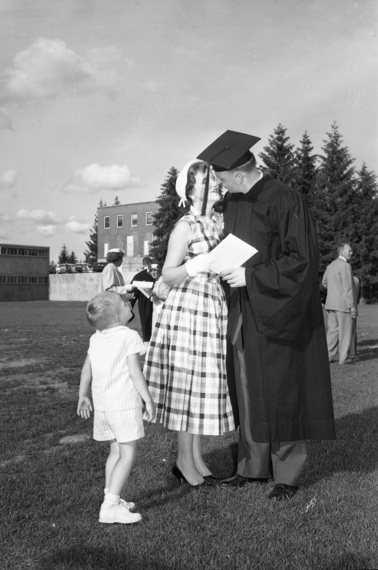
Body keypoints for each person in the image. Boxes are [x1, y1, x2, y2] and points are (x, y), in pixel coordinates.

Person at [197, 129, 336, 500]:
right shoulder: (236, 202)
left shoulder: (286, 199)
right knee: (246, 388)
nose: (220, 186)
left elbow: (302, 260)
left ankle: (287, 473)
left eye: (222, 178)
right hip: (244, 309)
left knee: (282, 387)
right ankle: (251, 467)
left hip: (280, 309)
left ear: (240, 174)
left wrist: (250, 275)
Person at [144, 159, 235, 488]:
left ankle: (195, 458)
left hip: (211, 306)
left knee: (200, 384)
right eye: (205, 180)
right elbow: (168, 273)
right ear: (190, 189)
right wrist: (194, 266)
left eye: (214, 179)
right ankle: (183, 460)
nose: (214, 184)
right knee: (187, 386)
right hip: (188, 309)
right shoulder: (185, 226)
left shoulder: (214, 223)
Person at [77, 291, 156, 524]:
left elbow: (86, 369)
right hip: (122, 405)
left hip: (103, 406)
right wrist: (148, 399)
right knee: (127, 453)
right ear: (116, 317)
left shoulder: (96, 337)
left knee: (115, 451)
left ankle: (111, 496)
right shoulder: (129, 335)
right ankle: (110, 507)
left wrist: (83, 395)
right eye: (124, 303)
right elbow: (134, 372)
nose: (129, 303)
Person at [322, 243, 358, 364]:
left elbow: (324, 283)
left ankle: (328, 356)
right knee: (345, 332)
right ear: (342, 252)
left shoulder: (330, 265)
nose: (351, 253)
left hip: (331, 304)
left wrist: (334, 290)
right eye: (349, 251)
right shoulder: (346, 266)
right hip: (343, 305)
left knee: (332, 332)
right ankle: (344, 358)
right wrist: (352, 306)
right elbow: (348, 288)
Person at [130, 257, 156, 342]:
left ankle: (147, 340)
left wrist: (129, 307)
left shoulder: (138, 276)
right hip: (156, 302)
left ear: (143, 264)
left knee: (146, 322)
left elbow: (132, 294)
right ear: (150, 263)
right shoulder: (155, 275)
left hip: (144, 304)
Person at [149, 264, 171, 329]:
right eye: (151, 271)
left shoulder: (163, 281)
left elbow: (166, 296)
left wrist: (155, 295)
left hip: (162, 310)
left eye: (155, 270)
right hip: (156, 309)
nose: (153, 273)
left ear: (160, 271)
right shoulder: (157, 281)